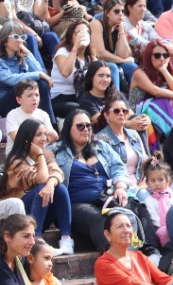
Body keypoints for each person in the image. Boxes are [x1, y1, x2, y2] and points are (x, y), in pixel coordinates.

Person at [51, 109, 148, 252]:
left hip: (106, 197)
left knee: (139, 209)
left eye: (89, 125)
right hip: (75, 204)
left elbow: (118, 167)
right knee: (100, 220)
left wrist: (120, 186)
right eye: (80, 126)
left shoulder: (101, 146)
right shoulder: (55, 150)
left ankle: (150, 253)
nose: (86, 129)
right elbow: (40, 158)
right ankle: (116, 259)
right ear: (68, 128)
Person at [3, 119, 73, 253]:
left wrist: (51, 183)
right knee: (41, 188)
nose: (44, 138)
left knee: (59, 188)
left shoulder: (47, 154)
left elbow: (58, 172)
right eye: (39, 135)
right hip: (19, 217)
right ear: (27, 139)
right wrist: (40, 155)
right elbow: (41, 179)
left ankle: (66, 239)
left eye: (45, 134)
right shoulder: (15, 161)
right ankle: (36, 238)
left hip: (42, 212)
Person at [0, 24, 54, 120]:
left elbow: (40, 71)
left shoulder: (21, 57)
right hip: (4, 102)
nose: (20, 40)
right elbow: (10, 79)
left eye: (22, 37)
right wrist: (38, 75)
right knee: (25, 85)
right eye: (15, 37)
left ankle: (50, 122)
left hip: (22, 96)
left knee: (42, 83)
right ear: (4, 41)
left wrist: (27, 53)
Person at [3, 79, 57, 144]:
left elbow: (51, 135)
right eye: (29, 95)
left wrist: (53, 135)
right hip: (20, 152)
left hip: (40, 151)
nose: (34, 98)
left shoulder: (43, 114)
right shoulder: (13, 115)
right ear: (18, 100)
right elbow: (17, 139)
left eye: (37, 95)